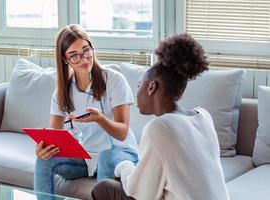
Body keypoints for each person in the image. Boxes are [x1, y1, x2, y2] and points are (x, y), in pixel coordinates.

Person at [91, 34, 230, 200]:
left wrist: (123, 166)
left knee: (103, 188)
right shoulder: (203, 117)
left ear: (151, 87)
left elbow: (141, 194)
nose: (136, 93)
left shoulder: (160, 127)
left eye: (138, 85)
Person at [34, 24, 138, 198]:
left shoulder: (114, 80)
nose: (83, 59)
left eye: (86, 51)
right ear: (65, 59)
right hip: (86, 156)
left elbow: (122, 133)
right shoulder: (62, 92)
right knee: (44, 160)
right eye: (74, 55)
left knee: (105, 157)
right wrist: (43, 149)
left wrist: (100, 119)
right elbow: (54, 135)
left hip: (120, 152)